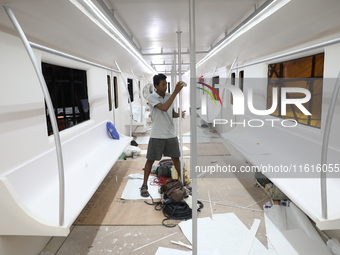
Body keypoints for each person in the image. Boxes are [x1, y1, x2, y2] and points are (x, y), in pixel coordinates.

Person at [140, 73, 186, 197]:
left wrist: (179, 114)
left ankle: (183, 182)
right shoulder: (151, 97)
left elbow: (170, 113)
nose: (165, 86)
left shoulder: (169, 96)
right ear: (156, 86)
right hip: (157, 134)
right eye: (163, 84)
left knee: (176, 158)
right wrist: (176, 93)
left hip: (170, 133)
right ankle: (144, 185)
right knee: (150, 160)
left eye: (166, 84)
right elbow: (164, 108)